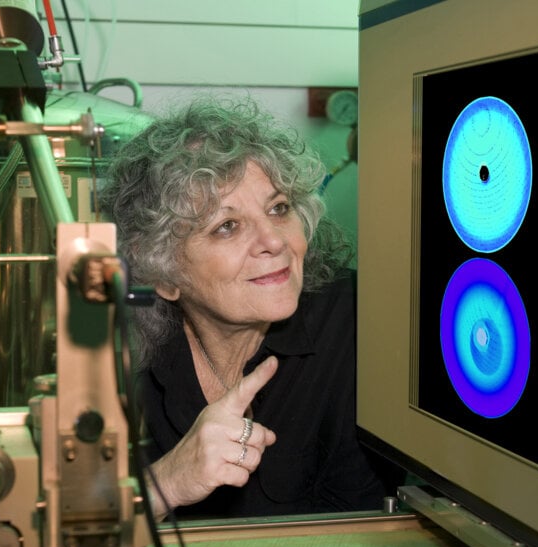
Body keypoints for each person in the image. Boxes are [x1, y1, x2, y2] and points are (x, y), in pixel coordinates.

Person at [99, 96, 397, 519]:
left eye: (278, 209)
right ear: (161, 273)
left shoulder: (366, 321)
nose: (274, 241)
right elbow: (75, 536)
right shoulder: (118, 359)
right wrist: (167, 481)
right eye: (227, 226)